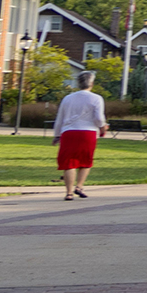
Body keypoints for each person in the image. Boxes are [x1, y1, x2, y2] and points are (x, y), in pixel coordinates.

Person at [53, 72, 108, 200]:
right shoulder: (96, 98)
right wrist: (102, 127)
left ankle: (69, 192)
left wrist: (57, 135)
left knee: (69, 163)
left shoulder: (67, 98)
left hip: (69, 132)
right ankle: (79, 185)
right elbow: (99, 118)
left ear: (78, 83)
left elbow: (60, 118)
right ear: (92, 83)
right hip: (87, 133)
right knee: (85, 161)